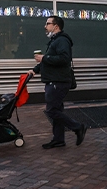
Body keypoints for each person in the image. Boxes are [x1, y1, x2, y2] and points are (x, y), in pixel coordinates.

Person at [29, 15, 86, 149]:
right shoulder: (55, 40)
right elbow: (49, 61)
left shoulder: (62, 40)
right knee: (56, 110)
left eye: (48, 23)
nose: (45, 26)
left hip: (58, 81)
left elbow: (64, 59)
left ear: (56, 26)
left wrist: (44, 58)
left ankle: (78, 127)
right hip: (54, 81)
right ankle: (59, 139)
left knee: (52, 111)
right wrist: (35, 70)